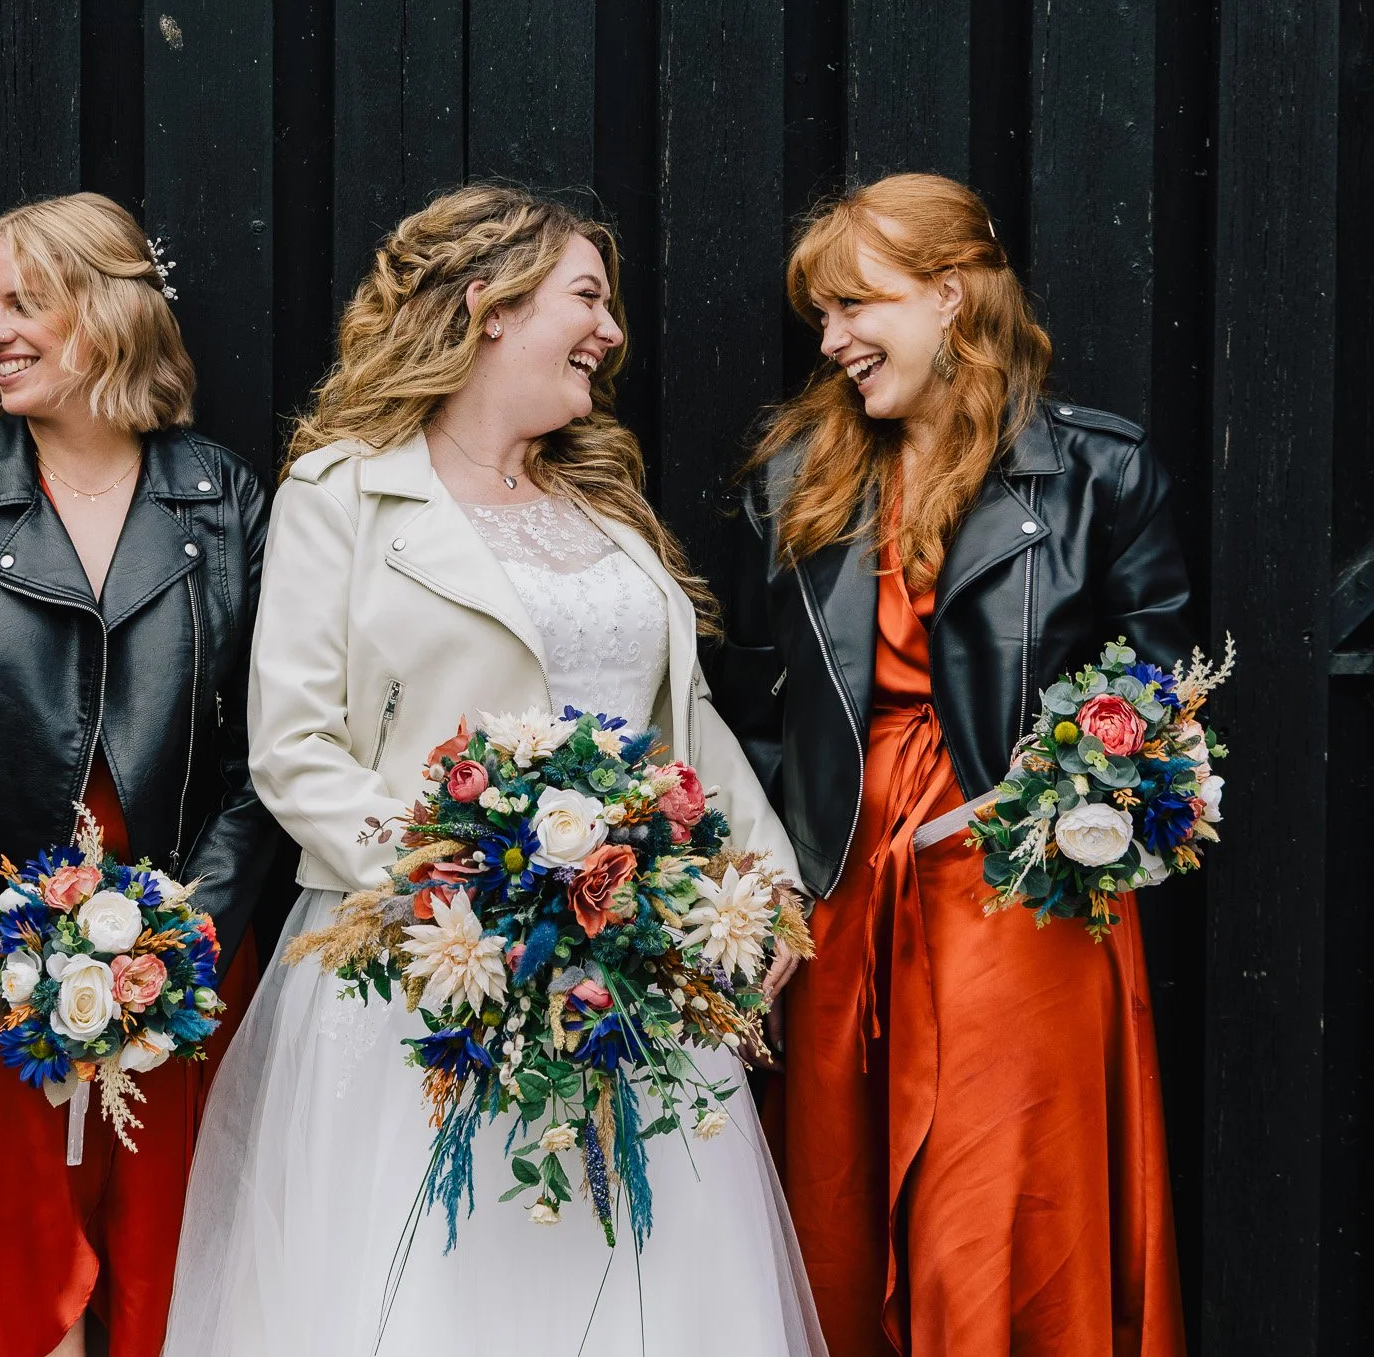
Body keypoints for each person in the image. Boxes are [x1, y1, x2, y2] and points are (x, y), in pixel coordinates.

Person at [166, 183, 826, 1355]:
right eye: (587, 297)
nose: (610, 330)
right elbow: (295, 747)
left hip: (625, 972)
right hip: (428, 980)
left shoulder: (600, 507)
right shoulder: (344, 494)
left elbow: (681, 731)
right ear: (487, 308)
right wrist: (462, 888)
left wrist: (760, 882)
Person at [714, 172, 1187, 1356]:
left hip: (1013, 871)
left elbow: (1159, 693)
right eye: (819, 316)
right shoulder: (798, 476)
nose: (829, 342)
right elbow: (761, 702)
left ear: (945, 297)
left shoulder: (1098, 472)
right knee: (834, 1180)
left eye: (852, 307)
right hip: (835, 864)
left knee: (997, 1195)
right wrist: (759, 872)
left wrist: (1060, 809)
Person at [0, 192, 277, 1357]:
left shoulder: (223, 498)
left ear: (112, 309)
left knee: (163, 1280)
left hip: (173, 969)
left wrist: (187, 939)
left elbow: (267, 746)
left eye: (25, 302)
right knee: (5, 1295)